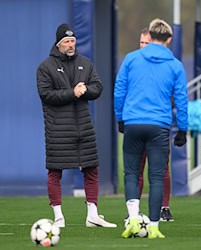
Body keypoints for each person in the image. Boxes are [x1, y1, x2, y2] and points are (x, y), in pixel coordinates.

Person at [36, 23, 117, 228]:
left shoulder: (85, 63)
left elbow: (97, 87)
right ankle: (58, 217)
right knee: (55, 171)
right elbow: (46, 95)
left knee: (92, 169)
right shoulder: (45, 67)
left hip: (83, 128)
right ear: (58, 44)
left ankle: (93, 215)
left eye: (73, 41)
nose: (71, 45)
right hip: (58, 129)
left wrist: (85, 90)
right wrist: (72, 92)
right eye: (67, 42)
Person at [115, 18, 188, 239]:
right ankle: (155, 226)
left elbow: (119, 91)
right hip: (159, 125)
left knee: (131, 173)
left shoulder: (131, 59)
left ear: (151, 37)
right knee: (156, 176)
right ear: (169, 39)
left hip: (134, 122)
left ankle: (134, 220)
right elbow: (182, 99)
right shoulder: (175, 65)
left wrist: (120, 118)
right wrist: (182, 129)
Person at [137, 27, 174, 222]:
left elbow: (174, 94)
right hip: (137, 123)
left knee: (161, 168)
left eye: (147, 43)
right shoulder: (134, 63)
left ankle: (164, 208)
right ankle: (134, 209)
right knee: (137, 168)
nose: (143, 46)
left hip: (159, 123)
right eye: (141, 43)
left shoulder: (166, 64)